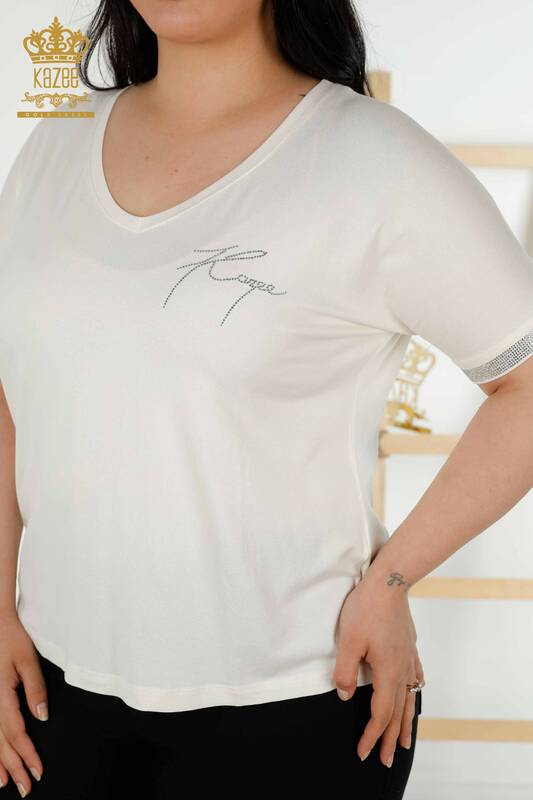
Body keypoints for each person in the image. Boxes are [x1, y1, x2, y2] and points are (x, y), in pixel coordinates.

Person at [0, 0, 531, 797]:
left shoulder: (375, 162)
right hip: (51, 697)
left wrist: (390, 580)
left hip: (295, 701)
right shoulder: (58, 140)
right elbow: (13, 394)